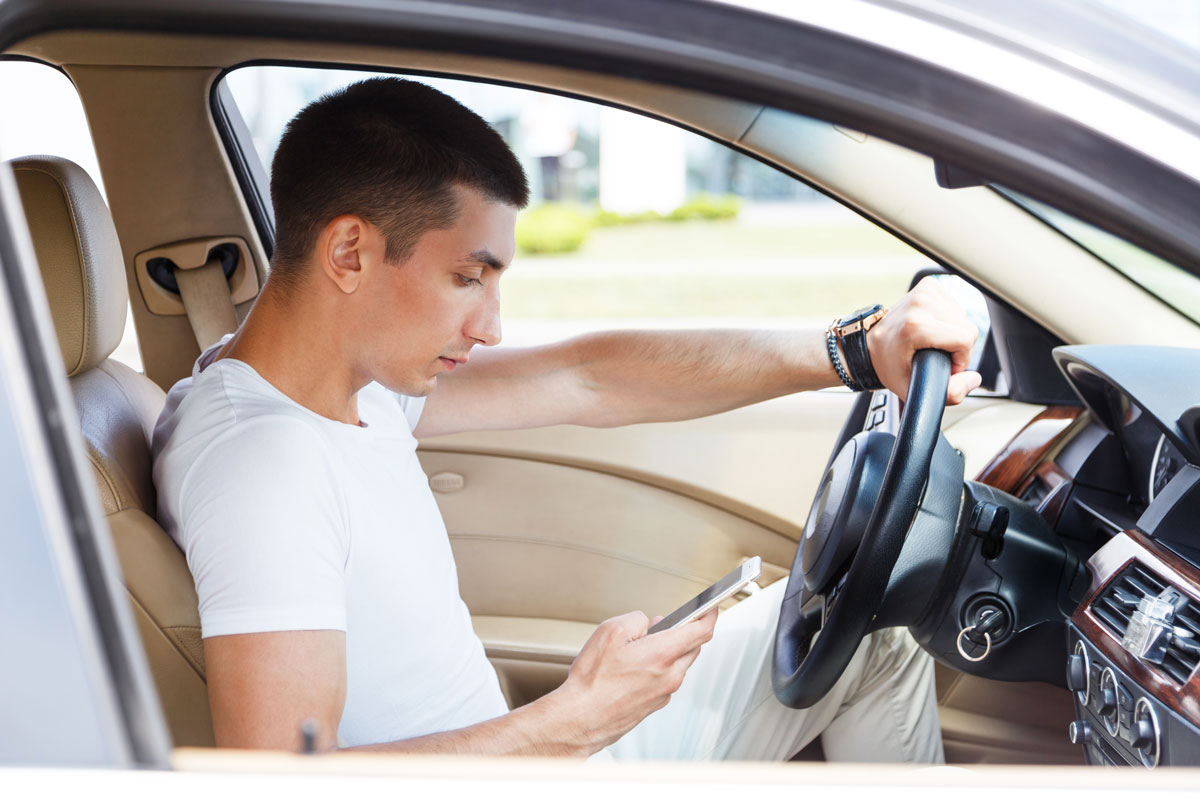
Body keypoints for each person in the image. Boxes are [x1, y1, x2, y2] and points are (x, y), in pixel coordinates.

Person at [152, 78, 981, 760]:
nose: (492, 326)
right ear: (349, 253)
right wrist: (573, 720)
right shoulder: (263, 465)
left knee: (871, 632)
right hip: (545, 757)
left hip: (535, 757)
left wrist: (853, 350)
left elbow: (588, 377)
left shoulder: (344, 382)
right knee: (867, 630)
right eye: (469, 277)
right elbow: (280, 780)